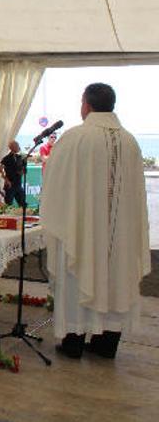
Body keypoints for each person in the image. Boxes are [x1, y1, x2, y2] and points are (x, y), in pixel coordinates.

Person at [42, 83, 151, 360]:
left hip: (83, 229)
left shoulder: (76, 137)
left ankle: (74, 341)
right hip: (119, 232)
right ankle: (107, 343)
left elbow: (55, 182)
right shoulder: (130, 141)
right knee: (116, 276)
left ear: (86, 105)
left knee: (79, 274)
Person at [0, 141, 26, 207]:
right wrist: (6, 180)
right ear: (11, 147)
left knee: (23, 203)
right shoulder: (6, 158)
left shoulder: (20, 157)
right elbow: (0, 170)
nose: (18, 147)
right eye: (17, 145)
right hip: (10, 185)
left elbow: (23, 170)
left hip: (18, 184)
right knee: (8, 204)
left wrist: (22, 171)